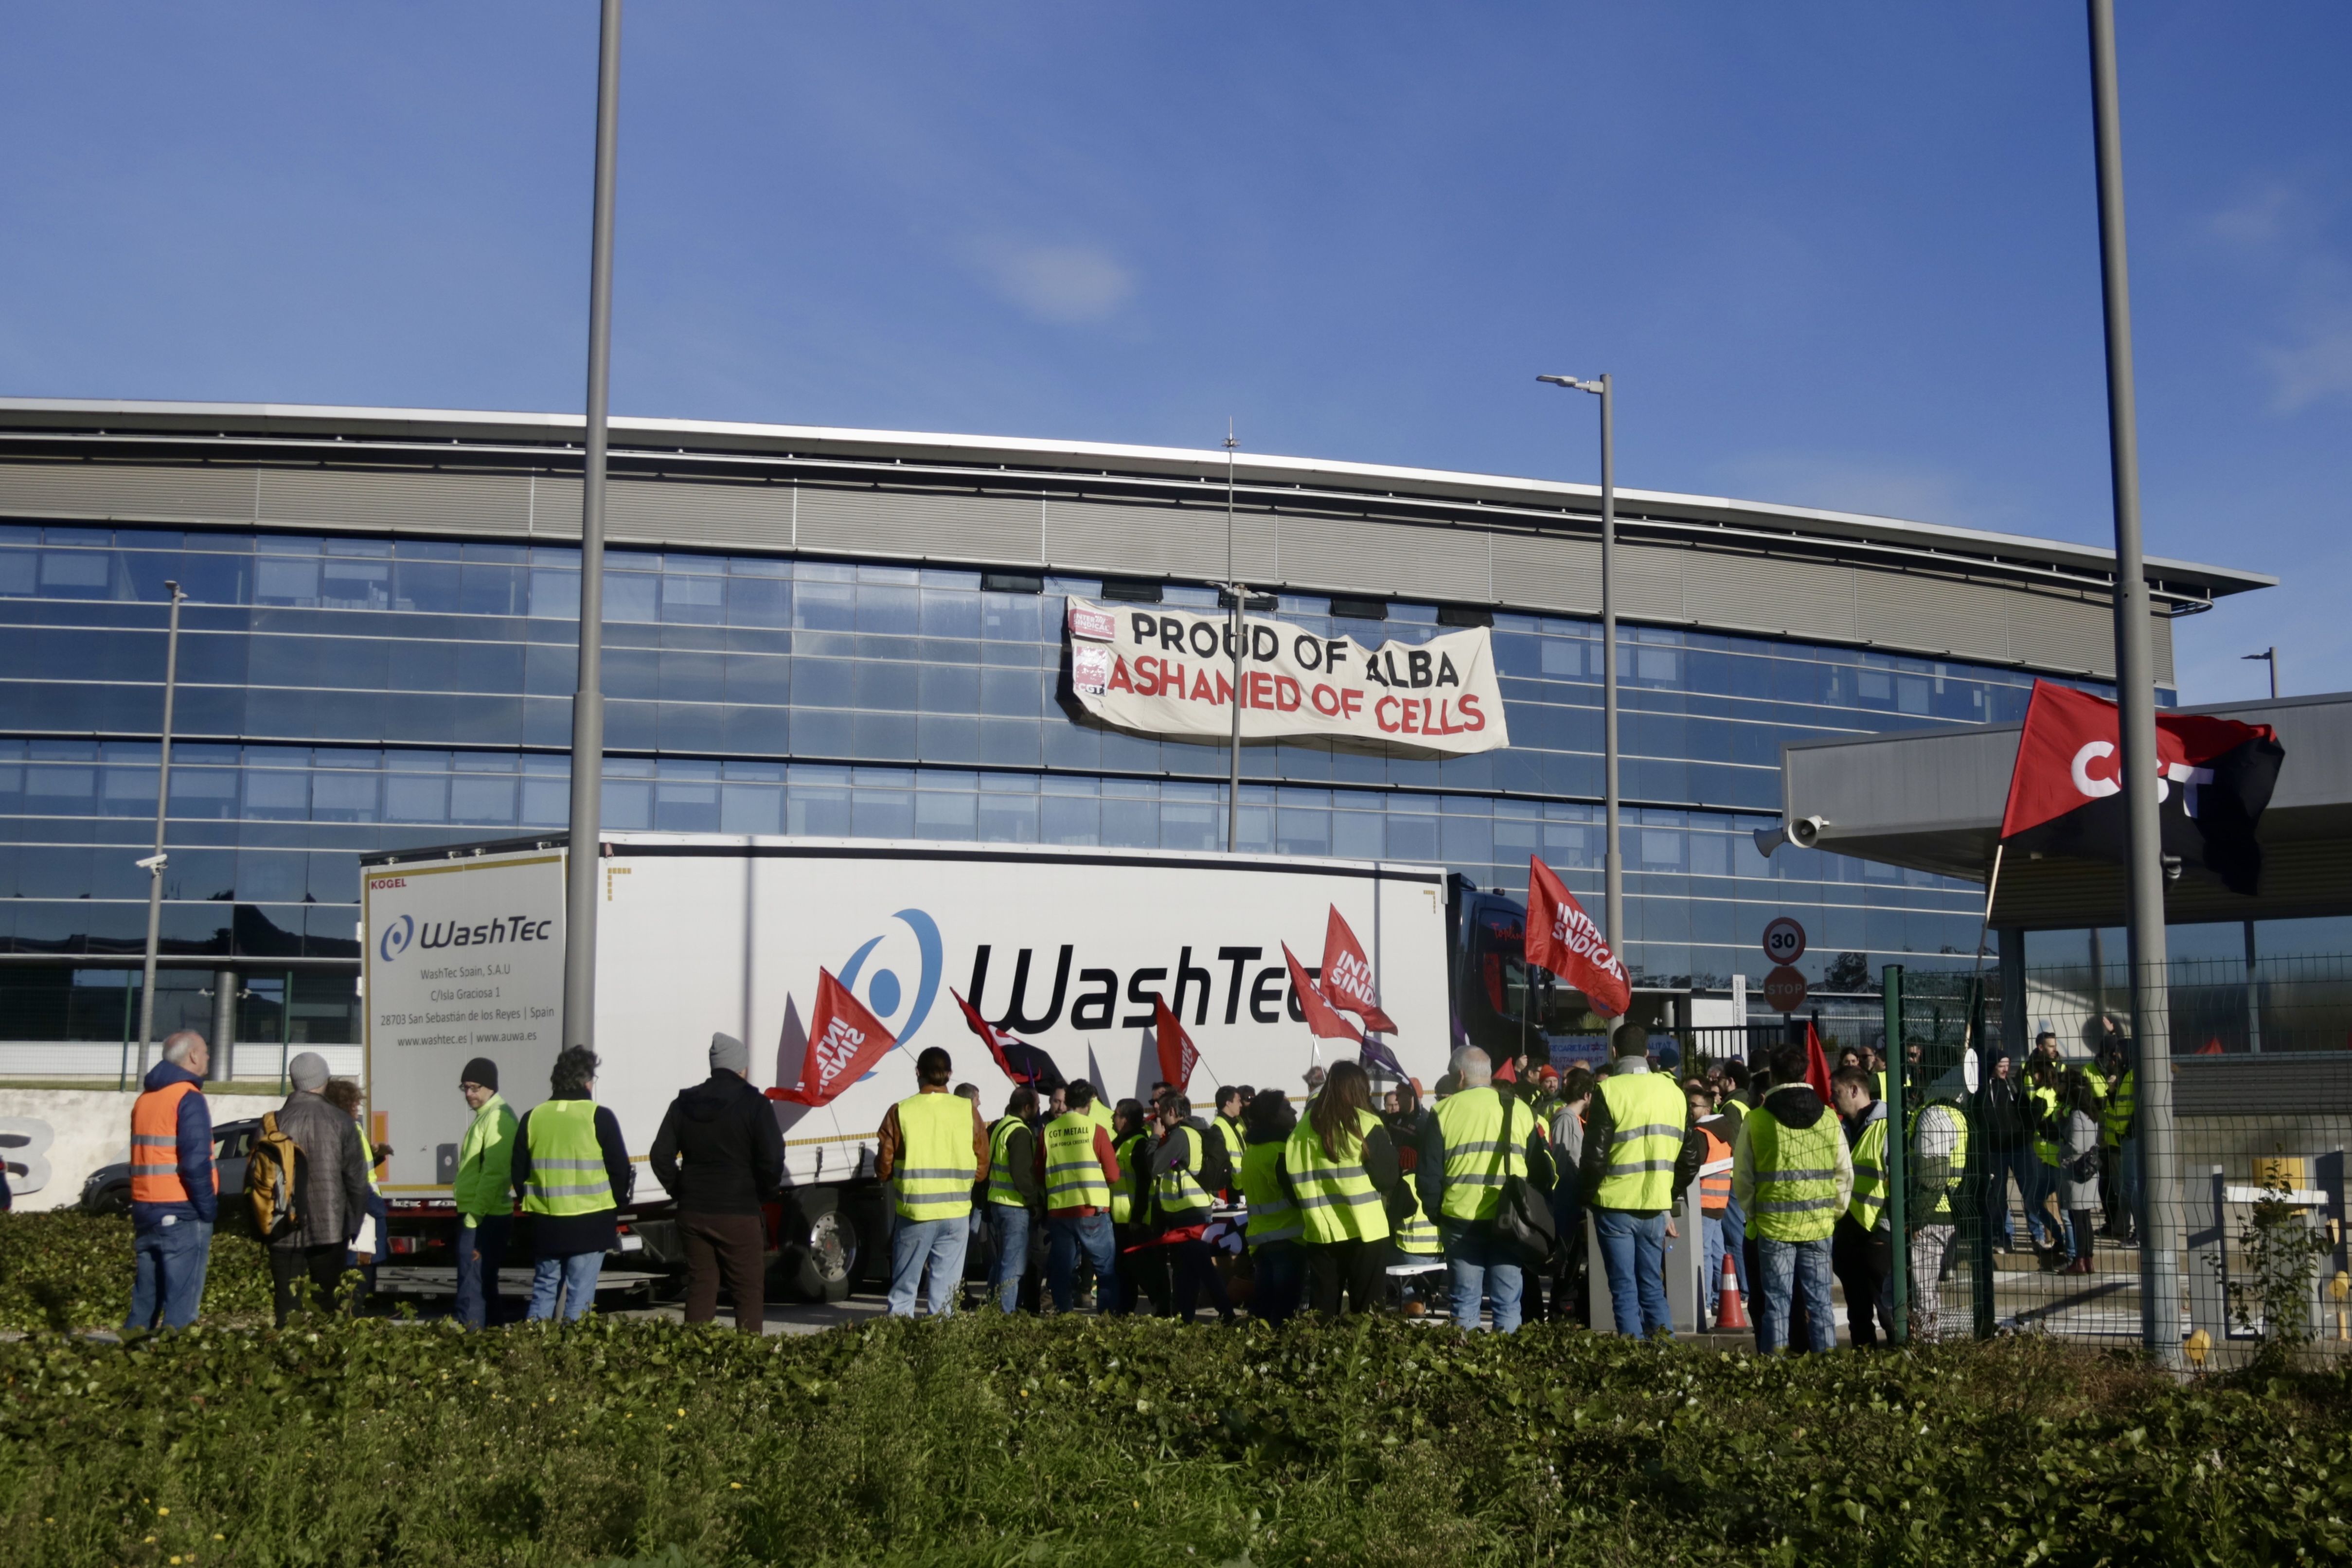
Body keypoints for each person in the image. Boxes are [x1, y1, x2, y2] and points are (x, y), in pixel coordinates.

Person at [649, 1031, 786, 1333]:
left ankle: (695, 1354)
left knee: (701, 1286)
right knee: (747, 1290)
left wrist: (680, 1189)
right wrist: (763, 1194)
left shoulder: (683, 1103)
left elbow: (659, 1156)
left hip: (693, 1211)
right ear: (742, 1068)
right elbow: (773, 1157)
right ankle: (747, 1355)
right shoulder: (755, 1104)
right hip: (739, 1211)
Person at [1580, 1021, 1703, 1338]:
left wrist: (1586, 1197)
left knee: (1624, 1289)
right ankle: (1665, 1357)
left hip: (1614, 1205)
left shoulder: (1608, 1091)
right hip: (1654, 1207)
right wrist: (1666, 1193)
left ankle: (1632, 1359)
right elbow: (1691, 1160)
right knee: (1651, 1286)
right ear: (1648, 1053)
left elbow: (1594, 1158)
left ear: (1614, 1052)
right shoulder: (1675, 1093)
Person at [1420, 1047, 1555, 1333]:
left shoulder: (1443, 1112)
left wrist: (1436, 1214)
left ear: (1460, 1075)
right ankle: (1505, 1358)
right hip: (1509, 1221)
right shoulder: (1520, 1109)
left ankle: (1466, 1357)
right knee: (1508, 1303)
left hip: (1460, 1219)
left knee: (1464, 1302)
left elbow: (1429, 1175)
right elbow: (1542, 1171)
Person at [1731, 1043, 1851, 1354]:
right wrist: (1833, 1213)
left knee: (1777, 1306)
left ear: (1773, 1076)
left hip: (1774, 1227)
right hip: (1819, 1226)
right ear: (1804, 1073)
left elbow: (1742, 1177)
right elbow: (1844, 1174)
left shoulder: (1757, 1120)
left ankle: (1777, 1372)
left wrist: (1755, 1213)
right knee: (1821, 1305)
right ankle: (1827, 1369)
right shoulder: (1829, 1118)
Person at [512, 1046, 632, 1323]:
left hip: (547, 1223)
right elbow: (620, 1168)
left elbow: (518, 1171)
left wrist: (532, 1204)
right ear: (586, 1081)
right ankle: (572, 1349)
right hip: (591, 1223)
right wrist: (615, 1204)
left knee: (543, 1291)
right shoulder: (599, 1116)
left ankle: (532, 1346)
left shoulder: (533, 1117)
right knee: (580, 1296)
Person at [874, 1045, 989, 1318]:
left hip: (916, 1215)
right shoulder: (967, 1111)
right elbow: (982, 1167)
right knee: (946, 1298)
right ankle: (941, 1342)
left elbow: (884, 1168)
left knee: (904, 1292)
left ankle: (900, 1341)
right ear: (950, 1074)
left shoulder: (901, 1111)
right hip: (956, 1216)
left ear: (918, 1072)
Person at [1285, 1059, 1399, 1316]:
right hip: (1366, 1231)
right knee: (1369, 1315)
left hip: (1321, 1233)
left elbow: (1290, 1184)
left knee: (1322, 1313)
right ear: (1360, 1090)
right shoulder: (1365, 1123)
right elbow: (1388, 1178)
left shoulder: (1301, 1130)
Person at [265, 1052, 369, 1327]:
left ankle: (287, 1349)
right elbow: (357, 1182)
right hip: (331, 1228)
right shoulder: (342, 1121)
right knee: (329, 1304)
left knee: (287, 1306)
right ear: (324, 1079)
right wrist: (354, 1224)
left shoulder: (271, 1123)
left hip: (282, 1226)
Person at [124, 1031, 217, 1334]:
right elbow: (195, 1162)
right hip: (181, 1210)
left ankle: (129, 1353)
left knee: (145, 1300)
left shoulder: (145, 1099)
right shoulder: (188, 1097)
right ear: (192, 1056)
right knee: (182, 1308)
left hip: (145, 1209)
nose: (208, 1057)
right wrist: (208, 1209)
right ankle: (176, 1358)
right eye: (205, 1051)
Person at [1039, 1080, 1123, 1313]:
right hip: (1092, 1210)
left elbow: (1039, 1172)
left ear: (1067, 1102)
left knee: (1061, 1271)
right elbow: (1113, 1175)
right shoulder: (1096, 1130)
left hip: (1060, 1211)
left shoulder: (1048, 1131)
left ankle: (1065, 1318)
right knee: (1105, 1270)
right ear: (1089, 1104)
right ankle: (1107, 1318)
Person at [1149, 1094, 1233, 1323]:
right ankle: (1185, 1317)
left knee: (1201, 1265)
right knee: (1187, 1269)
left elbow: (1154, 1165)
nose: (1159, 1119)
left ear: (1172, 1112)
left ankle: (1226, 1314)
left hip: (1189, 1210)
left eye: (1162, 1113)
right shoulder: (1193, 1131)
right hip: (1190, 1209)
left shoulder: (1181, 1135)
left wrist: (1155, 1138)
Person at [1830, 1067, 1894, 1348]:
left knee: (1890, 1311)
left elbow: (1897, 1181)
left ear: (1854, 1090)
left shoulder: (1887, 1125)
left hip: (1876, 1236)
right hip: (1847, 1233)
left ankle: (1900, 1360)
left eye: (1837, 1093)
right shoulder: (1840, 1128)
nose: (1832, 1099)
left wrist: (1886, 1230)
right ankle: (1863, 1365)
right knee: (1858, 1316)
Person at [452, 1057, 517, 1329]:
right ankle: (494, 1341)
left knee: (472, 1289)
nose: (469, 1094)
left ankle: (472, 1344)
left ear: (491, 1086)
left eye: (475, 1088)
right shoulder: (488, 1116)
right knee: (484, 1285)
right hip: (482, 1215)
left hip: (483, 1217)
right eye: (465, 1088)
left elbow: (495, 1174)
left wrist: (473, 1217)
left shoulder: (497, 1117)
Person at [1237, 1089, 1305, 1325]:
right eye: (1287, 1108)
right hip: (1288, 1240)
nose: (1294, 1111)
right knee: (1284, 1314)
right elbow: (1298, 1197)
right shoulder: (1281, 1151)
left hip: (1260, 1242)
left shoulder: (1251, 1151)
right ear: (1272, 1116)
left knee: (1264, 1310)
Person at [1977, 1051, 2052, 1252]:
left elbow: (2025, 1111)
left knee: (2030, 1191)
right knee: (1997, 1195)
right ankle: (2004, 1237)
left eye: (2008, 1065)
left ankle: (2037, 1236)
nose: (2005, 1069)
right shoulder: (1983, 1089)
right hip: (1996, 1150)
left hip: (2019, 1146)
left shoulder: (2012, 1085)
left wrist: (2033, 1118)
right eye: (2001, 1065)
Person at [1909, 1092, 1969, 1337]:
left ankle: (1927, 1345)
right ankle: (1927, 1340)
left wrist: (1916, 1220)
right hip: (1950, 1211)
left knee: (1924, 1294)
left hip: (1932, 1215)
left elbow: (1932, 1179)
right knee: (1926, 1292)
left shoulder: (1934, 1114)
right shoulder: (1959, 1114)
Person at [979, 1086, 1043, 1313]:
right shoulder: (1020, 1132)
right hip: (1015, 1206)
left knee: (1002, 1261)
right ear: (1027, 1107)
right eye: (1037, 1105)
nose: (1039, 1109)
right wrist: (1035, 1200)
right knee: (1013, 1266)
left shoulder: (1001, 1126)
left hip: (998, 1203)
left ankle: (993, 1308)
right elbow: (1022, 1175)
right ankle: (1006, 1313)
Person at [321, 1078, 385, 1307]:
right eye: (354, 1103)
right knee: (358, 1282)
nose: (358, 1107)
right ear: (344, 1104)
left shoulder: (335, 1128)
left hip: (354, 1208)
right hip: (363, 1210)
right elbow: (355, 1176)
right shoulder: (349, 1129)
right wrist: (378, 1208)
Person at [1546, 1065, 1593, 1323]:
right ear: (1586, 1095)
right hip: (1567, 1198)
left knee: (1574, 1257)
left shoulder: (1572, 1119)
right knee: (1567, 1257)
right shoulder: (1566, 1119)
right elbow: (1563, 1160)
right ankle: (1560, 1308)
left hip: (1572, 1198)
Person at [1688, 1079, 1736, 1330]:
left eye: (1693, 1106)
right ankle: (1721, 1298)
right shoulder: (1724, 1131)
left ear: (1706, 1109)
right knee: (1718, 1252)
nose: (1689, 1109)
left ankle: (1706, 1301)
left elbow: (1693, 1167)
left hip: (1703, 1201)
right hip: (1719, 1200)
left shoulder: (1701, 1134)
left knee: (1704, 1253)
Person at [1107, 1098, 1157, 1315]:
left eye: (1116, 1115)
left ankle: (1162, 1307)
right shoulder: (1119, 1142)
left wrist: (1137, 1217)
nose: (1112, 1118)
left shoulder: (1139, 1144)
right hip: (1119, 1219)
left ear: (1126, 1119)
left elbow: (1144, 1184)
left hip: (1135, 1221)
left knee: (1142, 1270)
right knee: (1124, 1270)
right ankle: (1125, 1311)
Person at [2059, 1069, 2103, 1276]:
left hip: (2077, 1173)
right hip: (2089, 1171)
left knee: (2078, 1219)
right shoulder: (2091, 1114)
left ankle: (2079, 1262)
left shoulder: (2077, 1115)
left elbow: (2076, 1145)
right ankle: (2089, 1261)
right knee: (2085, 1219)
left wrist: (2061, 1154)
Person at [2099, 1040, 2138, 1242]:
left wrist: (2131, 1129)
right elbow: (2120, 1107)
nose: (2116, 1058)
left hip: (2132, 1137)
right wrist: (2112, 1091)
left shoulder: (2135, 1075)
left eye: (2119, 1054)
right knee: (2126, 1187)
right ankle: (2130, 1230)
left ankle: (2140, 1233)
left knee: (2131, 1187)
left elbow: (2140, 1106)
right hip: (2123, 1138)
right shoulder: (2125, 1076)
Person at [1211, 1086, 1247, 1188]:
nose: (1241, 1105)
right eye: (1238, 1101)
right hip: (1231, 1187)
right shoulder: (1217, 1127)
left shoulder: (1236, 1124)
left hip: (1243, 1182)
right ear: (1228, 1103)